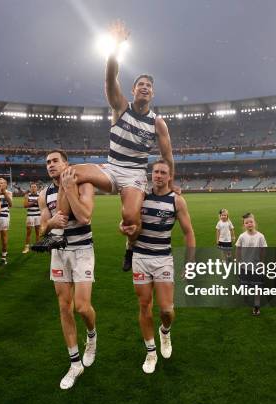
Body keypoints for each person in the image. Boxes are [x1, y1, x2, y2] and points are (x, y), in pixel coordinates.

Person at [54, 20, 175, 272]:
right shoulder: (121, 107)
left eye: (149, 86)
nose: (145, 87)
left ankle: (130, 247)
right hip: (112, 167)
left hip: (134, 175)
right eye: (140, 84)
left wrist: (169, 183)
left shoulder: (158, 123)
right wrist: (115, 47)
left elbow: (167, 156)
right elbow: (110, 77)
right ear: (132, 90)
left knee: (131, 219)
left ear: (152, 94)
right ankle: (58, 232)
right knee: (70, 174)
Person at [123, 159, 195, 374]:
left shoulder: (177, 201)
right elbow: (127, 221)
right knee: (144, 306)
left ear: (169, 176)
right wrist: (122, 228)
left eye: (163, 172)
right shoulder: (140, 196)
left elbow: (188, 232)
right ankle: (151, 351)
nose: (159, 176)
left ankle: (165, 331)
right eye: (156, 172)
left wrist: (190, 262)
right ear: (151, 174)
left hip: (163, 258)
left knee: (166, 309)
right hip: (140, 257)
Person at [37, 150, 97, 390]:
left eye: (55, 161)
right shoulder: (44, 194)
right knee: (64, 307)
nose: (51, 165)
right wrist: (50, 223)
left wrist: (69, 190)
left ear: (66, 164)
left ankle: (91, 336)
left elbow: (85, 216)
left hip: (82, 249)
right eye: (48, 163)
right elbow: (42, 229)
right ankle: (75, 363)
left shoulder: (84, 184)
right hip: (58, 252)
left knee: (82, 306)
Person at [235, 213, 267, 316]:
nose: (249, 224)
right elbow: (238, 249)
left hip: (257, 267)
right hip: (245, 267)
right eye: (246, 222)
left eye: (251, 222)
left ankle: (256, 307)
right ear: (244, 225)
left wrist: (262, 263)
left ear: (255, 223)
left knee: (257, 288)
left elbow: (263, 250)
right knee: (246, 286)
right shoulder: (242, 236)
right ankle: (246, 296)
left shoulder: (260, 236)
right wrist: (238, 261)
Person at [0, 178, 12, 264]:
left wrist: (4, 193)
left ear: (5, 184)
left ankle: (4, 256)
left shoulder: (8, 193)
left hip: (4, 216)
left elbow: (11, 204)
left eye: (1, 183)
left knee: (4, 236)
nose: (0, 185)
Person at [22, 182, 41, 254]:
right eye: (32, 187)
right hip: (30, 215)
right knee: (28, 232)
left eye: (34, 187)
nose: (33, 188)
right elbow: (25, 205)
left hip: (38, 215)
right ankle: (26, 247)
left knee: (38, 232)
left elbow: (41, 205)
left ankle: (38, 247)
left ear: (37, 188)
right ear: (30, 188)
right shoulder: (27, 195)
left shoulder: (40, 195)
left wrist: (32, 203)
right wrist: (35, 201)